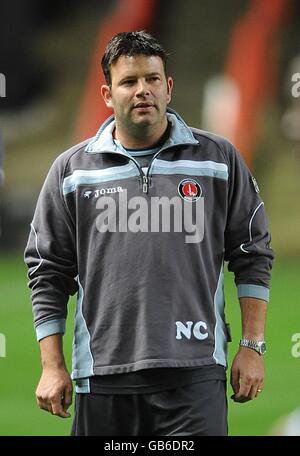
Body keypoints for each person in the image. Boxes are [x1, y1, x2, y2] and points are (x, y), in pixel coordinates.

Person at [24, 30, 274, 436]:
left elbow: (253, 254)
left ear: (168, 87)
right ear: (107, 94)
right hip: (103, 375)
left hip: (194, 372)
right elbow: (47, 271)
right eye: (129, 82)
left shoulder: (218, 160)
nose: (143, 91)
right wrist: (52, 366)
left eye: (152, 79)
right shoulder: (72, 172)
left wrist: (252, 346)